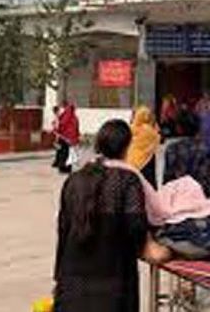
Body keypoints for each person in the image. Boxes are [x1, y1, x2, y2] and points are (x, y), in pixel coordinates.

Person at [53, 119, 170, 312]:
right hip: (113, 281)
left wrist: (59, 277)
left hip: (73, 281)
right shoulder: (127, 180)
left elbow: (63, 230)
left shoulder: (74, 180)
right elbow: (136, 228)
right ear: (127, 147)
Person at [163, 109, 210, 198]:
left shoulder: (172, 148)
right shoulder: (205, 148)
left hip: (178, 196)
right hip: (199, 196)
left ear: (179, 128)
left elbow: (168, 177)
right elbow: (207, 177)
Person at [126, 106, 161, 189]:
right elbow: (158, 138)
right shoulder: (151, 132)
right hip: (147, 162)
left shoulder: (131, 129)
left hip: (131, 162)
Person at [55, 102, 80, 174]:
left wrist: (58, 133)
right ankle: (67, 168)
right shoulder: (74, 118)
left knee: (63, 153)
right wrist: (76, 137)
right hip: (70, 139)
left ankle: (62, 168)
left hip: (63, 138)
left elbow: (60, 125)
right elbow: (76, 128)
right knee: (69, 154)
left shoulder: (64, 117)